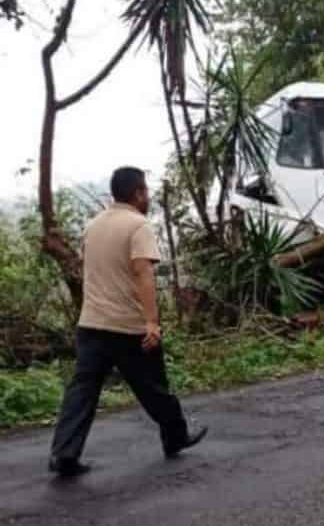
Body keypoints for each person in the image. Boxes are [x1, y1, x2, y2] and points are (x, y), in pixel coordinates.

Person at [49, 167, 207, 477]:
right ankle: (175, 437)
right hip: (127, 327)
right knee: (154, 387)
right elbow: (143, 274)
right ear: (137, 193)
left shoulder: (92, 226)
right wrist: (151, 323)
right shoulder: (138, 225)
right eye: (145, 191)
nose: (147, 197)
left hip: (91, 325)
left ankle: (64, 453)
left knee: (82, 390)